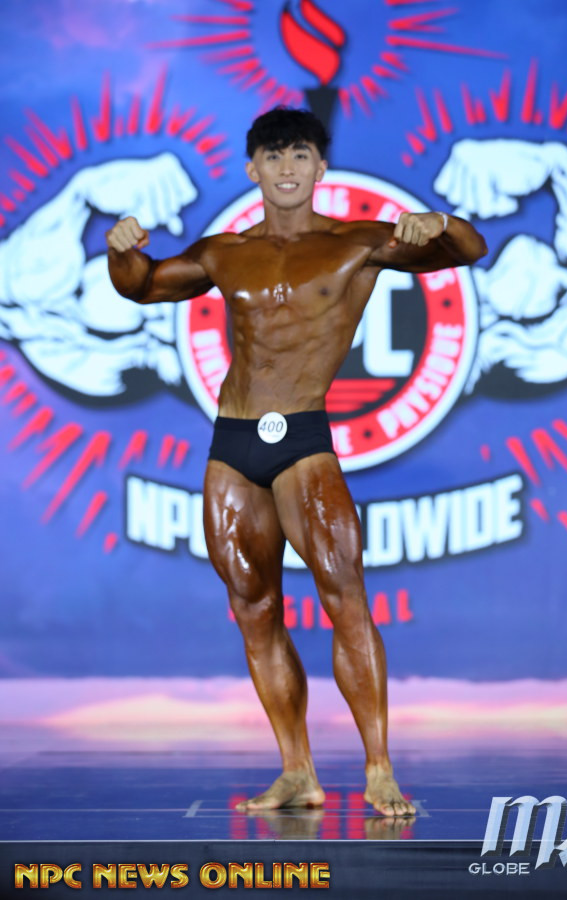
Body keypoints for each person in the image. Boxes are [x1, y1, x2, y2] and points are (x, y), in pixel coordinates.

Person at [107, 107, 487, 817]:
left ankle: (378, 768)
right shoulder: (224, 252)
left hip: (303, 441)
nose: (288, 168)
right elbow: (142, 284)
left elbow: (469, 249)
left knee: (344, 598)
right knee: (253, 610)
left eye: (301, 155)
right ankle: (296, 772)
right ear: (252, 169)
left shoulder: (358, 243)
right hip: (233, 444)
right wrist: (121, 250)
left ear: (320, 168)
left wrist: (439, 222)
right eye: (275, 156)